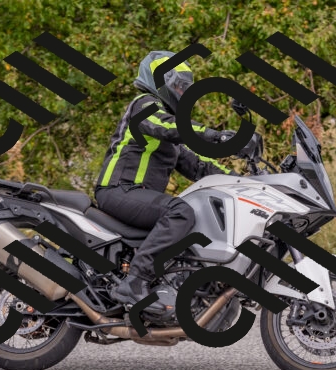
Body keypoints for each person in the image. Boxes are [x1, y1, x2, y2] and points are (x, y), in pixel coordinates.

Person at [94, 50, 256, 316]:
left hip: (137, 195)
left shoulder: (170, 141)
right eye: (179, 86)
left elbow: (199, 166)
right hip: (118, 189)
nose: (183, 93)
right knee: (180, 211)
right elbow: (169, 126)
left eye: (185, 88)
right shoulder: (144, 107)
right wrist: (216, 136)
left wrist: (244, 181)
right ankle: (135, 281)